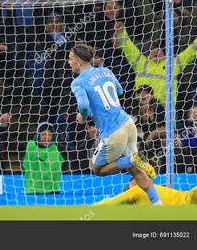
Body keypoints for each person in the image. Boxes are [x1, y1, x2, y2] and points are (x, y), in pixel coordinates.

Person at [68, 43, 162, 205]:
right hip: (128, 123)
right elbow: (119, 91)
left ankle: (130, 160)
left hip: (113, 132)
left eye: (70, 59)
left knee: (96, 169)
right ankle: (157, 203)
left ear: (79, 61)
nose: (68, 62)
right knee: (136, 170)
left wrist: (83, 117)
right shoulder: (106, 71)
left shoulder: (77, 83)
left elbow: (83, 106)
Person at [113, 21, 197, 105]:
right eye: (153, 50)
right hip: (142, 108)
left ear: (164, 54)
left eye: (159, 50)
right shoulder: (140, 62)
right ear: (148, 53)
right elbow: (128, 47)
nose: (156, 52)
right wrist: (121, 33)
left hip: (165, 110)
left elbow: (189, 53)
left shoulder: (172, 64)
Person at [94, 154, 197, 205]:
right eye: (138, 178)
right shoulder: (136, 192)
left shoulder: (141, 191)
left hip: (192, 202)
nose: (143, 179)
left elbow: (107, 204)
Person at [22, 122, 65, 194]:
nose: (47, 137)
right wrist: (3, 126)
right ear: (37, 135)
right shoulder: (30, 146)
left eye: (50, 134)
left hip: (53, 193)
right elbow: (9, 142)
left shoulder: (58, 149)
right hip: (33, 192)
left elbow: (79, 150)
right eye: (43, 134)